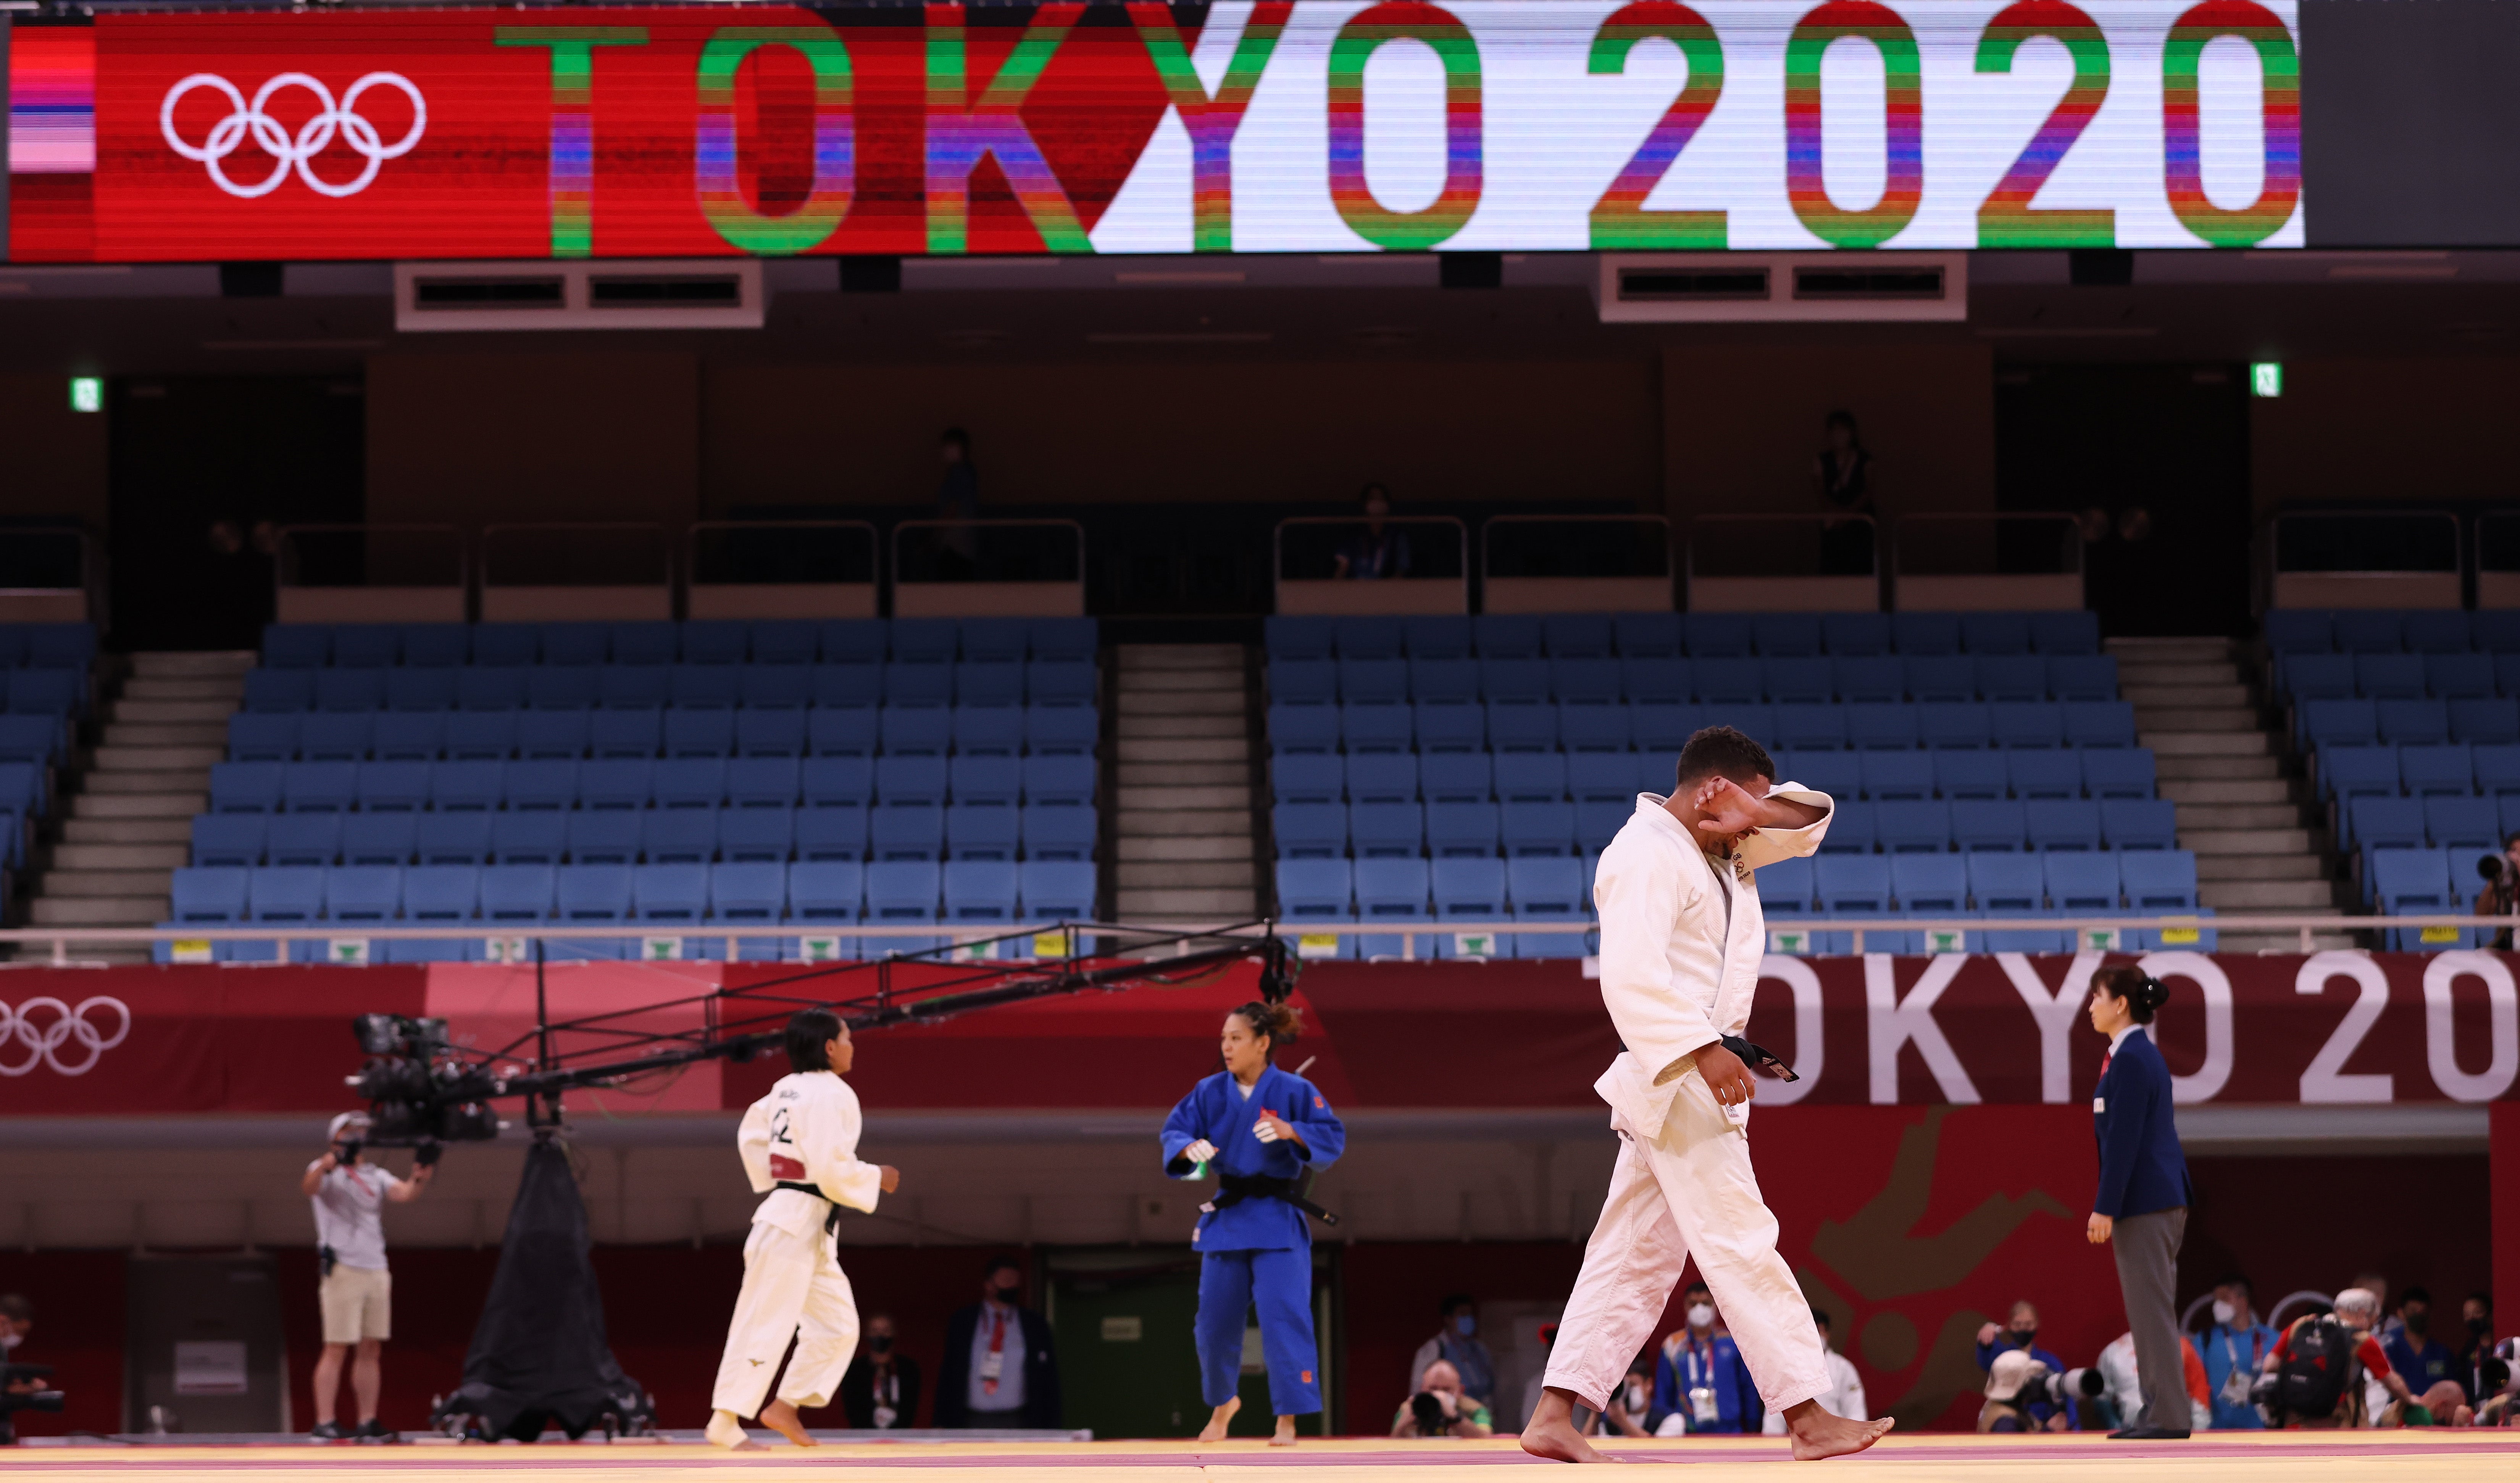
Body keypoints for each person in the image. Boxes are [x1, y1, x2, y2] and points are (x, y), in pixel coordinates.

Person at [1522, 725, 1891, 1464]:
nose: (1758, 820)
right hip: (1679, 1069)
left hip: (1688, 1069)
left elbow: (1809, 821)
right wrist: (1702, 1046)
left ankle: (1556, 1410)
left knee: (1632, 1255)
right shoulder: (1643, 853)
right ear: (1711, 788)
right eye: (1751, 800)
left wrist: (1748, 813)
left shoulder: (1714, 841)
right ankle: (1808, 1413)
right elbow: (1628, 975)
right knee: (1739, 1239)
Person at [706, 1009, 899, 1451]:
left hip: (803, 1220)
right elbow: (831, 1165)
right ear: (829, 1046)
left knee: (838, 1326)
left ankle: (785, 1406)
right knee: (765, 1320)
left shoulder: (784, 1088)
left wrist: (777, 1174)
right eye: (848, 1039)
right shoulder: (833, 1092)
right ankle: (724, 1421)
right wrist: (876, 1176)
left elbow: (752, 1135)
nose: (853, 1046)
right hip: (793, 1219)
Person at [1162, 1000, 1346, 1446]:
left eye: (1236, 1037)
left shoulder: (1294, 1090)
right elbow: (1175, 1132)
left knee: (1284, 1318)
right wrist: (1190, 1151)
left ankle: (1287, 1418)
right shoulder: (1208, 1091)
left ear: (1262, 1043)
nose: (1226, 1046)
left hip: (1277, 1219)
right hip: (1228, 1216)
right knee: (1212, 1323)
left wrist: (1291, 1132)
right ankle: (1223, 1402)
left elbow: (1331, 1135)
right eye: (1224, 1038)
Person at [2085, 964, 2192, 1439]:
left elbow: (2124, 1141)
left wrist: (2105, 1206)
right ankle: (2158, 1411)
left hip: (2145, 1202)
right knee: (2149, 1311)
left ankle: (2166, 1416)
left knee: (2150, 1312)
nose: (2090, 1006)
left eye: (2096, 997)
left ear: (2120, 1004)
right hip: (2152, 1199)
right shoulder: (2130, 1056)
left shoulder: (2131, 1060)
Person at [300, 1111, 436, 1440]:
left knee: (370, 1347)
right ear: (336, 1137)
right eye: (350, 1131)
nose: (357, 1136)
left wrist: (420, 1177)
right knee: (336, 1346)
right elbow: (310, 1188)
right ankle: (325, 1420)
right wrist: (327, 1164)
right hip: (343, 1266)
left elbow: (403, 1193)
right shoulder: (325, 1170)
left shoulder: (375, 1174)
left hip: (375, 1265)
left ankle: (367, 1419)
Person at [2260, 1289, 2428, 1428]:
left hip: (2294, 1424)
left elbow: (2269, 1365)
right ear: (2363, 1315)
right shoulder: (2361, 1339)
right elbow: (2392, 1383)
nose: (2372, 1327)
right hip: (2337, 1428)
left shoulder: (2302, 1325)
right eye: (2373, 1322)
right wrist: (2410, 1399)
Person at [937, 1257, 1061, 1430]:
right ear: (989, 1284)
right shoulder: (963, 1322)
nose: (1011, 1287)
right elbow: (949, 1372)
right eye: (1006, 1281)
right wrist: (941, 1421)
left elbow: (1048, 1378)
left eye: (1015, 1282)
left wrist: (1052, 1423)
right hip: (970, 1418)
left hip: (1019, 1418)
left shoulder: (1034, 1325)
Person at [1652, 1283, 1758, 1435]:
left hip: (1731, 1432)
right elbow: (1663, 1393)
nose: (1699, 1309)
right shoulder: (1672, 1346)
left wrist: (1753, 1427)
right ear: (1685, 1307)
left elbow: (1749, 1388)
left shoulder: (1733, 1342)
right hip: (1686, 1433)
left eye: (1706, 1303)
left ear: (1715, 1305)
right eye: (1693, 1304)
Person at [1972, 1302, 2072, 1431]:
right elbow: (1986, 1361)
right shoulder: (2005, 1421)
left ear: (2037, 1324)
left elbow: (2066, 1400)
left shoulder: (2051, 1362)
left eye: (2028, 1324)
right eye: (2018, 1324)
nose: (2023, 1329)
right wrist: (1985, 1342)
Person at [2197, 1275, 2281, 1429]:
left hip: (2264, 1433)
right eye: (2216, 1300)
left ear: (2243, 1302)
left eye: (2224, 1299)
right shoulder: (2205, 1340)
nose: (2218, 1305)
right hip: (2217, 1433)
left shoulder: (2274, 1339)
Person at [1763, 1310, 1863, 1435]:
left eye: (1819, 1331)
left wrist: (1856, 1437)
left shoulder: (1843, 1368)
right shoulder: (1788, 1368)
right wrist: (1772, 1442)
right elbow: (1776, 1415)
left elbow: (1855, 1409)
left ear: (1827, 1334)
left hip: (1838, 1439)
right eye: (1811, 1331)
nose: (1815, 1336)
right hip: (1799, 1442)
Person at [1812, 411, 1874, 576]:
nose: (1838, 435)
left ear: (1852, 434)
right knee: (1833, 568)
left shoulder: (1865, 460)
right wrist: (1837, 514)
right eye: (1834, 431)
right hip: (1833, 524)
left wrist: (1849, 515)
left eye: (1843, 431)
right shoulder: (1822, 460)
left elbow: (1869, 492)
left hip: (1860, 525)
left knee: (1860, 569)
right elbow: (1821, 493)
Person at [1409, 1295, 1496, 1413]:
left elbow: (1491, 1387)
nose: (1468, 1319)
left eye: (1470, 1314)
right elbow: (1418, 1389)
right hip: (1446, 1413)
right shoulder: (1435, 1348)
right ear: (1448, 1319)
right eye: (1463, 1314)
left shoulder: (1480, 1349)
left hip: (1480, 1413)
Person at [838, 1314, 921, 1431]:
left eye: (886, 1330)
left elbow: (910, 1407)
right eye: (875, 1331)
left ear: (894, 1333)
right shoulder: (855, 1371)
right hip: (863, 1436)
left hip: (901, 1437)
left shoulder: (908, 1369)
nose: (880, 1336)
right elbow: (852, 1408)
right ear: (867, 1334)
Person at [2382, 1288, 2461, 1405]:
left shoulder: (2442, 1353)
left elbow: (2454, 1391)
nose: (2418, 1315)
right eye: (2413, 1311)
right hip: (2396, 1414)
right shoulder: (2388, 1349)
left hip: (2433, 1417)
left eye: (2423, 1311)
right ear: (2401, 1313)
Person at [1391, 1359, 1494, 1438]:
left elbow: (1486, 1439)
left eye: (1446, 1390)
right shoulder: (1409, 1408)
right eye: (1433, 1388)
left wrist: (1455, 1417)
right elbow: (1392, 1445)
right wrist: (1404, 1423)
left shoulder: (1476, 1410)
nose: (1439, 1394)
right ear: (1422, 1389)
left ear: (1460, 1391)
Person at [1333, 484, 1410, 580]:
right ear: (1365, 504)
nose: (1377, 502)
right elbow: (1342, 568)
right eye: (1372, 498)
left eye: (1381, 499)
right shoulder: (1354, 535)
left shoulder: (1397, 536)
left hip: (1385, 590)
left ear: (1387, 505)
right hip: (1355, 589)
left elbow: (1401, 571)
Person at [2468, 831, 2520, 948]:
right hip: (2507, 946)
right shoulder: (2505, 887)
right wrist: (2493, 883)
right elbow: (2481, 917)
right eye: (2514, 851)